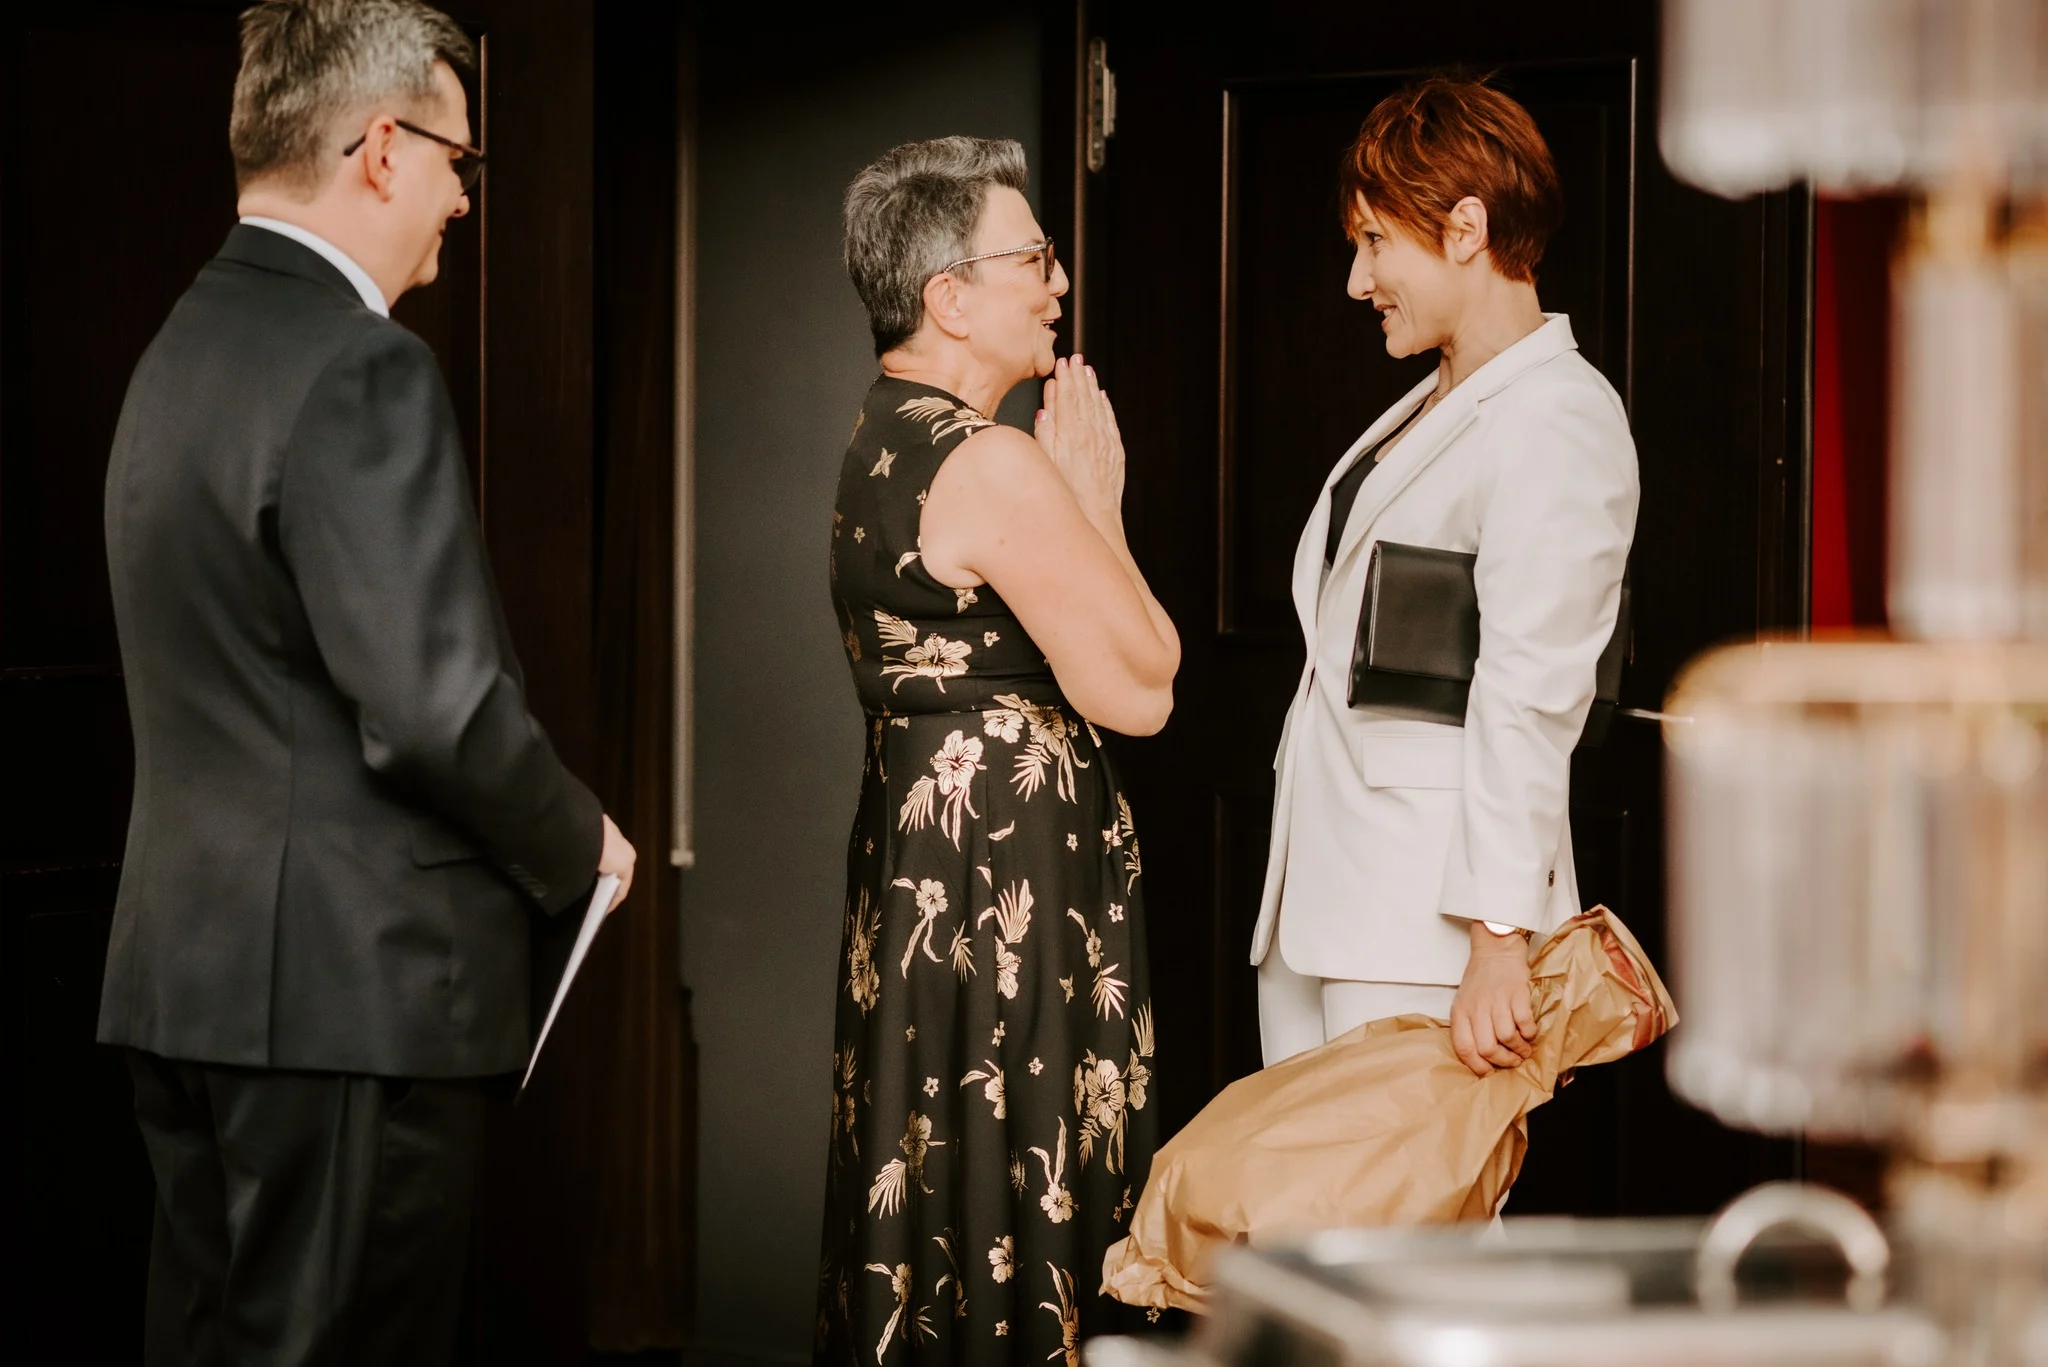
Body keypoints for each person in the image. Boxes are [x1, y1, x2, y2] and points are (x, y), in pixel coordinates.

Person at [97, 2, 636, 1362]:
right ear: (385, 150)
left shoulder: (178, 350)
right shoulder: (360, 363)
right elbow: (433, 708)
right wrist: (579, 837)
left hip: (186, 980)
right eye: (462, 160)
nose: (463, 198)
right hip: (345, 996)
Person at [818, 136, 1180, 1361]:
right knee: (1017, 1145)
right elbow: (1144, 686)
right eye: (1034, 257)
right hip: (1002, 870)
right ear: (951, 297)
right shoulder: (991, 458)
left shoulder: (878, 433)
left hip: (919, 853)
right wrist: (1097, 503)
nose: (1057, 281)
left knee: (933, 1152)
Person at [1250, 78, 1638, 1087]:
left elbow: (1531, 684)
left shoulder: (1557, 416)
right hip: (1329, 908)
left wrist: (1497, 936)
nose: (1357, 280)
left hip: (1431, 936)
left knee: (1404, 1194)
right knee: (1313, 1191)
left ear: (1465, 229)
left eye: (1375, 242)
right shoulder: (1433, 402)